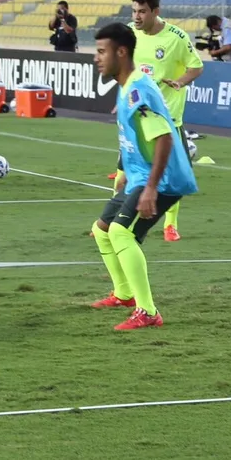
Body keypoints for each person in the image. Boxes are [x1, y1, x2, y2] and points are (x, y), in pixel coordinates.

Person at [88, 22, 198, 331]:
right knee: (102, 230)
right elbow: (134, 136)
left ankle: (147, 311)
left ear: (121, 53)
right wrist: (124, 169)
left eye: (101, 51)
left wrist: (150, 188)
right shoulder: (128, 85)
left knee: (122, 233)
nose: (96, 58)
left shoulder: (138, 89)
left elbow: (164, 137)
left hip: (162, 179)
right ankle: (124, 294)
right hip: (140, 176)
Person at [131, 0, 203, 242]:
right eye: (134, 11)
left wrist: (180, 82)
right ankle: (117, 219)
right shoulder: (130, 33)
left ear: (155, 12)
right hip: (137, 117)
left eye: (142, 11)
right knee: (123, 173)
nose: (137, 17)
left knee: (176, 178)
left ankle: (170, 226)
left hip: (168, 119)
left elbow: (196, 66)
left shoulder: (176, 37)